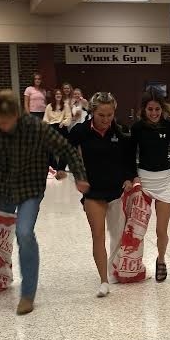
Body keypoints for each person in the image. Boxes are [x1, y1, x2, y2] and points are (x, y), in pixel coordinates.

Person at [0, 89, 89, 315]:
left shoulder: (36, 127)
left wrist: (79, 177)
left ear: (17, 116)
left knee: (24, 233)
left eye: (4, 122)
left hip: (30, 188)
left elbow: (67, 149)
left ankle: (27, 294)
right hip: (2, 188)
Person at [69, 92, 136, 298]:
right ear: (92, 112)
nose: (106, 120)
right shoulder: (80, 131)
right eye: (101, 116)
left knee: (117, 235)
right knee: (97, 236)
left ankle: (116, 269)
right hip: (93, 193)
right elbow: (66, 153)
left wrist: (129, 178)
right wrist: (77, 176)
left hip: (117, 191)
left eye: (110, 115)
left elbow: (129, 160)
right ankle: (103, 280)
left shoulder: (121, 131)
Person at [128, 90, 170, 282]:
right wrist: (133, 177)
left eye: (157, 109)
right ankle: (134, 262)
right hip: (143, 180)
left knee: (161, 230)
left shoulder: (169, 126)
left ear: (162, 109)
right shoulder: (137, 128)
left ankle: (161, 260)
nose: (154, 113)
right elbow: (129, 155)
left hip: (164, 182)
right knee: (138, 228)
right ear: (144, 110)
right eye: (150, 109)